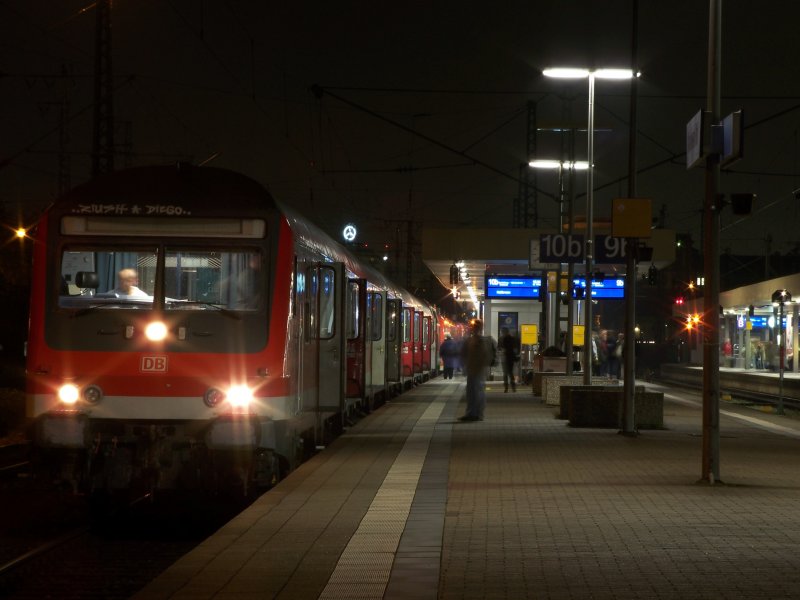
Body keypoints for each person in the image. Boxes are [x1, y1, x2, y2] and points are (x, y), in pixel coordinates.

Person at [458, 319, 496, 422]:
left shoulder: (482, 341)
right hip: (474, 370)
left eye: (475, 327)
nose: (473, 329)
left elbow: (485, 356)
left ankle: (475, 414)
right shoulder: (472, 340)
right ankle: (473, 413)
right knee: (472, 392)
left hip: (477, 371)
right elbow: (464, 354)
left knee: (476, 392)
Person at [499, 326, 520, 392]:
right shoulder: (512, 339)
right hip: (511, 358)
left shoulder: (501, 339)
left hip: (504, 358)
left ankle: (506, 388)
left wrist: (502, 351)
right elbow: (515, 349)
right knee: (510, 372)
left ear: (503, 332)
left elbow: (499, 348)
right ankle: (513, 387)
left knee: (505, 373)